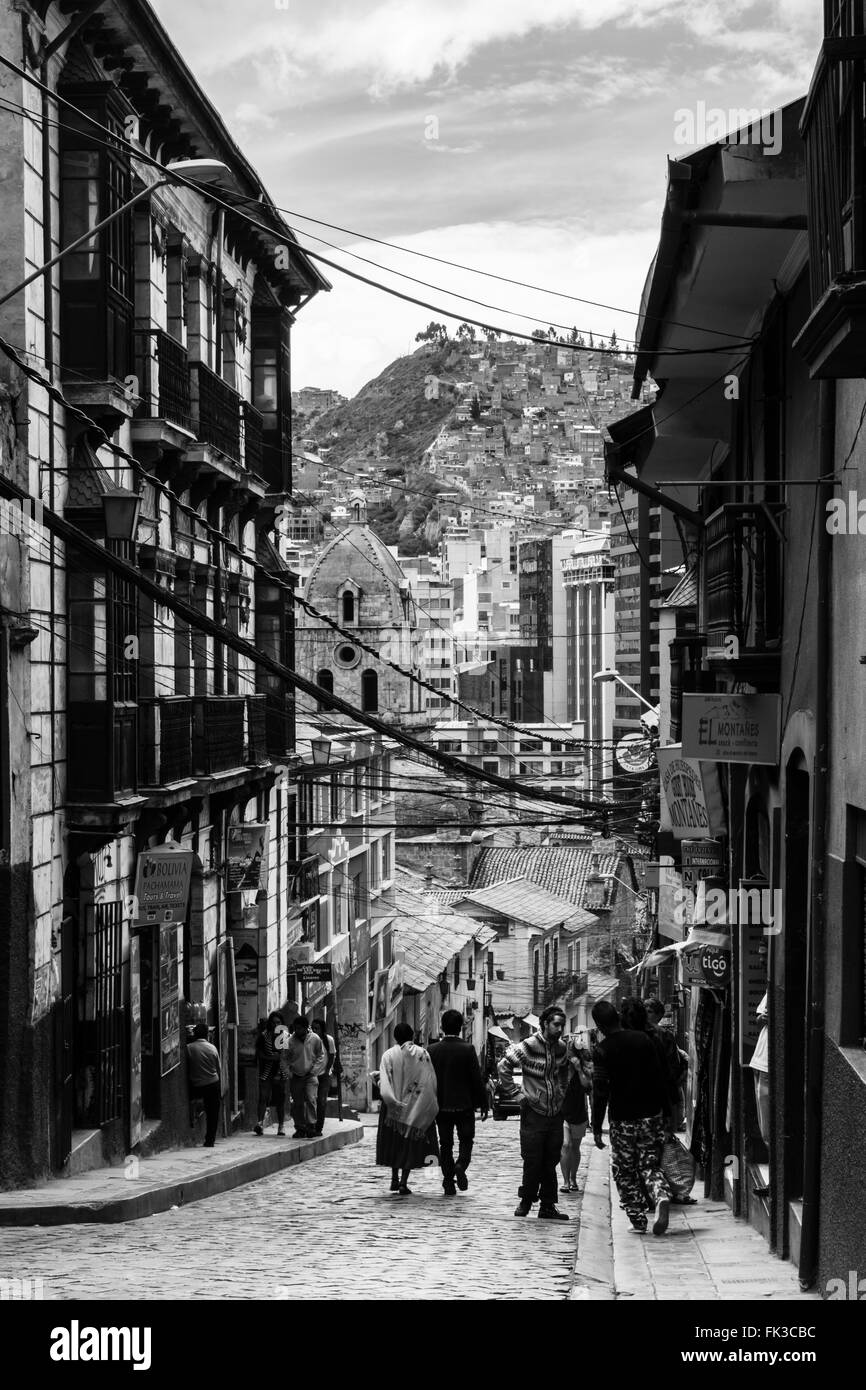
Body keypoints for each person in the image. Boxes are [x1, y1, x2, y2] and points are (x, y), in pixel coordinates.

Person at [591, 1000, 672, 1236]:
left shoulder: (603, 1050)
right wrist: (667, 1114)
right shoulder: (643, 1040)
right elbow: (660, 1079)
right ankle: (660, 1195)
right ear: (617, 1016)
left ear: (599, 1025)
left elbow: (600, 1090)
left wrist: (596, 1126)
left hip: (622, 1118)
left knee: (624, 1170)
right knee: (649, 1163)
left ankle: (638, 1219)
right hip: (651, 1114)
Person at [499, 1006, 571, 1220]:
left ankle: (547, 1205)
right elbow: (504, 1066)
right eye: (556, 1024)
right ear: (545, 1024)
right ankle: (526, 1200)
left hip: (554, 1112)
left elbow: (564, 1070)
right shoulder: (529, 1046)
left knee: (550, 1160)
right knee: (532, 1158)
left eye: (561, 1025)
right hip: (533, 1112)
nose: (559, 1029)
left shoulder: (561, 1048)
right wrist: (517, 1094)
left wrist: (561, 1091)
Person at [428, 1010, 488, 1197]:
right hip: (464, 1106)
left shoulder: (432, 1050)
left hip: (441, 1106)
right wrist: (483, 1103)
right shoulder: (468, 1049)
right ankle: (460, 1165)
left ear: (442, 1027)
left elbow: (427, 1080)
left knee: (445, 1144)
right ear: (461, 1028)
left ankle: (448, 1182)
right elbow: (476, 1079)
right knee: (466, 1141)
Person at [375, 1021, 440, 1194]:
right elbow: (430, 1080)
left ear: (395, 1037)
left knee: (394, 1143)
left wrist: (381, 1084)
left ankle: (394, 1178)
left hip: (393, 1109)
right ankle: (404, 1181)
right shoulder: (423, 1053)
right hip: (416, 1108)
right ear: (412, 1036)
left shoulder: (388, 1055)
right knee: (408, 1144)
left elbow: (385, 1081)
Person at [281, 1014, 326, 1138]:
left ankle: (311, 1125)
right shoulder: (289, 1041)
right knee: (298, 1103)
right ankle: (300, 1127)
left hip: (310, 1075)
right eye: (296, 1028)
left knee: (311, 1100)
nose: (297, 1030)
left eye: (300, 1028)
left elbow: (321, 1055)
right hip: (296, 1076)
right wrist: (288, 1073)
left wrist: (315, 1070)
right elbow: (284, 1059)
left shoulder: (315, 1038)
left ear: (306, 1028)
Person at [560, 1038, 592, 1195]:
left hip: (579, 1113)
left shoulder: (584, 1067)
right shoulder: (562, 1066)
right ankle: (565, 1181)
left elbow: (587, 1086)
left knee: (575, 1147)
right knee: (566, 1145)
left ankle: (573, 1178)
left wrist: (579, 1069)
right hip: (563, 1112)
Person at [187, 1022, 221, 1148]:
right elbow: (218, 1067)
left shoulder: (189, 1048)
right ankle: (210, 1140)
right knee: (213, 1113)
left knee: (199, 1106)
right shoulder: (212, 1048)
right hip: (213, 1083)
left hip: (197, 1085)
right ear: (207, 1034)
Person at [254, 1013, 287, 1136]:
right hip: (266, 1071)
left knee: (280, 1100)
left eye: (279, 1022)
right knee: (263, 1097)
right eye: (274, 1022)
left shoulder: (285, 1037)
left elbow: (285, 1055)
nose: (276, 1024)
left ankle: (281, 1125)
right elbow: (259, 1053)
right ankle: (260, 1123)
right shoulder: (264, 1036)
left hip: (281, 1072)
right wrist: (272, 1058)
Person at [310, 1018, 338, 1137]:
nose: (315, 1030)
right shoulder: (310, 1040)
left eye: (317, 1028)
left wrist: (327, 1070)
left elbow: (332, 1056)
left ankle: (318, 1127)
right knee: (311, 1101)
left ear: (322, 1029)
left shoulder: (328, 1040)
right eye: (313, 1028)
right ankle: (310, 1125)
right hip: (312, 1074)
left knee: (321, 1101)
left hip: (324, 1076)